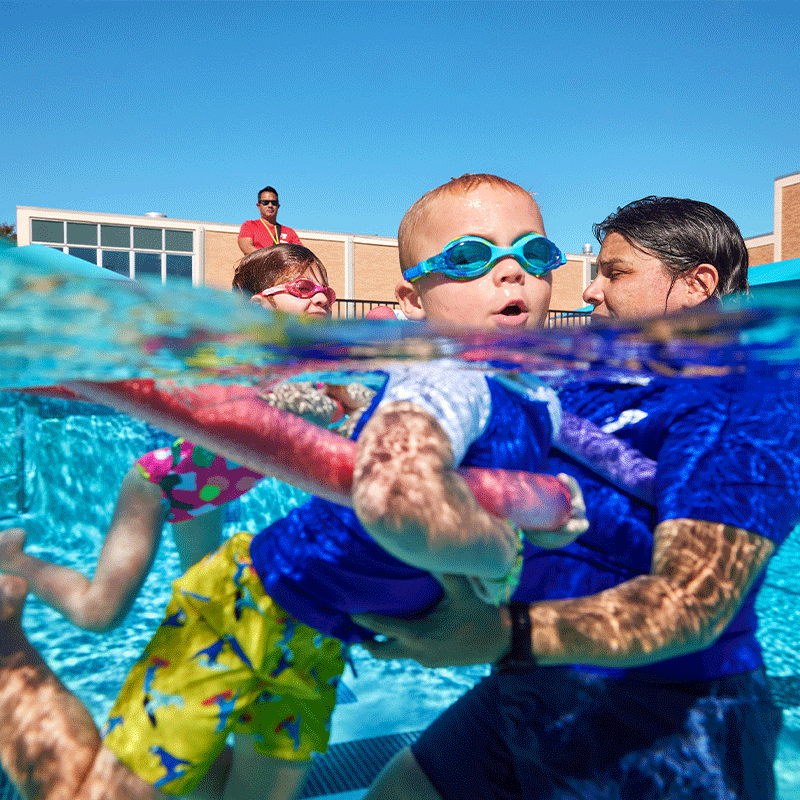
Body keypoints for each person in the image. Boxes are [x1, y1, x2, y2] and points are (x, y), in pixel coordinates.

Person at [0, 174, 585, 800]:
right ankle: (8, 642)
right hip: (222, 559)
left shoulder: (534, 398)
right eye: (471, 256)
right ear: (410, 301)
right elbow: (395, 491)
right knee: (101, 646)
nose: (512, 271)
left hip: (314, 631)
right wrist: (501, 558)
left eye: (536, 253)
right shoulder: (421, 377)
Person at [353, 197, 798, 800]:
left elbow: (692, 603)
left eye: (615, 273)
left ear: (697, 285)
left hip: (668, 711)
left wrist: (497, 634)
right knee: (401, 791)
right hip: (534, 680)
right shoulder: (591, 381)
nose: (589, 291)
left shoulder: (744, 402)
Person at [0, 244, 337, 632]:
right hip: (162, 483)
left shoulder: (316, 360)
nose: (320, 299)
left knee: (206, 606)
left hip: (212, 492)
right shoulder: (243, 358)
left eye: (326, 292)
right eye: (303, 290)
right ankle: (13, 558)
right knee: (99, 614)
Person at [238, 186, 303, 256]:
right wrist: (272, 259)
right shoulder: (249, 225)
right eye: (265, 202)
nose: (270, 205)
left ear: (278, 206)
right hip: (259, 266)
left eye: (274, 203)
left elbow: (302, 254)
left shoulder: (289, 232)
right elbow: (247, 248)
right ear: (258, 206)